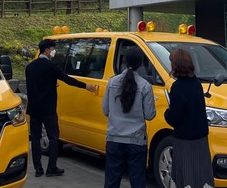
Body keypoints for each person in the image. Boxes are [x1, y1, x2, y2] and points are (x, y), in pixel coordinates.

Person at [25, 38, 96, 177]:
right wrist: (86, 86)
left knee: (35, 138)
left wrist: (52, 84)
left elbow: (35, 85)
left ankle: (38, 169)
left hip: (33, 108)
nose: (54, 52)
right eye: (53, 49)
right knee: (53, 137)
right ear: (47, 50)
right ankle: (51, 168)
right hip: (48, 109)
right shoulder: (51, 66)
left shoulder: (30, 67)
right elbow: (67, 79)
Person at [101, 46, 156, 188]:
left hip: (114, 138)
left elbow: (105, 110)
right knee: (137, 181)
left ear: (124, 61)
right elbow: (150, 115)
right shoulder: (145, 86)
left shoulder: (112, 82)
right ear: (141, 64)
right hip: (136, 141)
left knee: (111, 182)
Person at [164, 48, 214, 188]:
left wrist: (167, 113)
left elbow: (175, 117)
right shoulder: (197, 84)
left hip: (184, 139)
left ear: (175, 65)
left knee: (185, 177)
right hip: (200, 138)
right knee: (201, 176)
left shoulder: (177, 87)